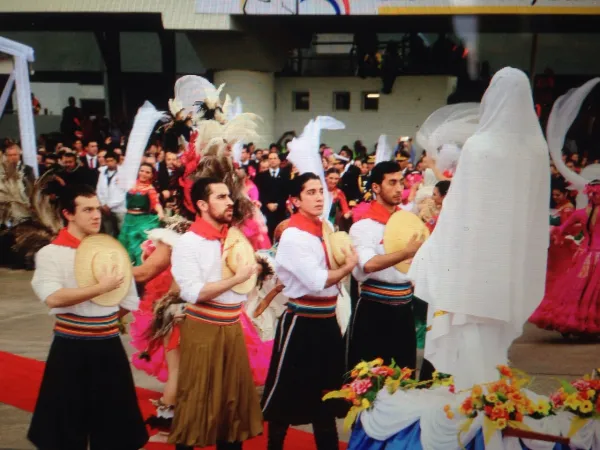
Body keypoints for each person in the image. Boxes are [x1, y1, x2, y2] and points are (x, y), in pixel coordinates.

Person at [408, 67, 549, 389]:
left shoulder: (480, 146)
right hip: (511, 262)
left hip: (475, 262)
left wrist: (435, 254)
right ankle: (491, 397)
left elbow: (460, 210)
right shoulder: (537, 150)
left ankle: (473, 402)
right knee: (494, 340)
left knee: (469, 334)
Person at [28, 184, 148, 450]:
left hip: (108, 346)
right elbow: (53, 297)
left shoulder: (112, 249)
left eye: (97, 209)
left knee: (115, 430)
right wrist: (99, 290)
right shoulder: (51, 253)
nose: (96, 216)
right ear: (68, 214)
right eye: (87, 210)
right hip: (70, 348)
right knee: (65, 431)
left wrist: (101, 320)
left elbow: (128, 301)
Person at [262, 172, 358, 450]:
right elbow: (318, 280)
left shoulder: (323, 227)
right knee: (284, 396)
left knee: (326, 397)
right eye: (311, 192)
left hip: (327, 320)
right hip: (301, 322)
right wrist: (348, 267)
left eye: (320, 191)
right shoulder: (293, 235)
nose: (318, 197)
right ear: (294, 200)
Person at [169, 177, 263, 450]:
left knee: (232, 407)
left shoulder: (234, 238)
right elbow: (192, 292)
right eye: (221, 197)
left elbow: (243, 288)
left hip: (232, 326)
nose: (230, 202)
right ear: (201, 204)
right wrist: (237, 279)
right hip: (202, 329)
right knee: (195, 401)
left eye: (229, 197)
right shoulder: (188, 242)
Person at [346, 161, 424, 372]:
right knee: (369, 380)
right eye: (392, 183)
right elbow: (369, 264)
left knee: (403, 375)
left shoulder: (408, 221)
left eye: (401, 182)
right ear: (376, 187)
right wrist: (406, 253)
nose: (399, 188)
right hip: (375, 310)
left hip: (405, 308)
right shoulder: (363, 226)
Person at [118, 163, 164, 266]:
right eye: (142, 171)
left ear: (152, 175)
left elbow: (156, 203)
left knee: (138, 248)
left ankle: (138, 272)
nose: (143, 174)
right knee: (125, 245)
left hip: (141, 221)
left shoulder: (150, 189)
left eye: (147, 172)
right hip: (128, 220)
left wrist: (160, 212)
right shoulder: (131, 184)